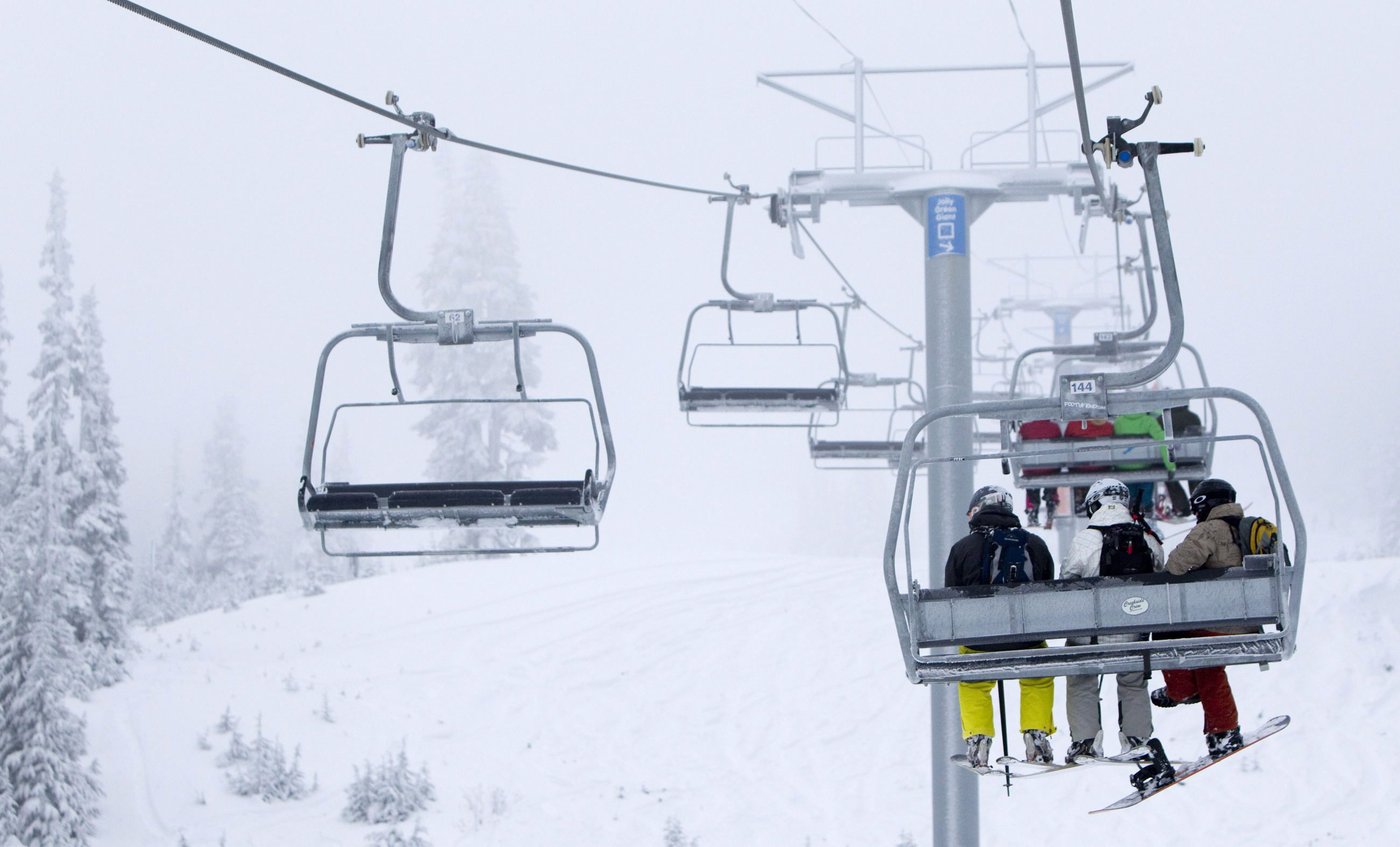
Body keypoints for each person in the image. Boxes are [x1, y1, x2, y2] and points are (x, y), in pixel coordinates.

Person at [944, 485, 1057, 766]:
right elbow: (1050, 590)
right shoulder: (1035, 544)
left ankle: (978, 738)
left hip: (979, 641)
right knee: (1038, 677)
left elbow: (950, 599)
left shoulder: (962, 548)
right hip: (1028, 638)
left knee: (973, 682)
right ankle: (1036, 733)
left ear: (978, 510)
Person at [1060, 478, 1164, 762]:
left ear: (1094, 505)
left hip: (1090, 632)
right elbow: (1160, 571)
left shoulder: (1085, 539)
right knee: (1133, 682)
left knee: (1081, 679)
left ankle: (1085, 742)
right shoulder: (1147, 537)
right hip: (1134, 630)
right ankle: (1136, 739)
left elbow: (1067, 579)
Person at [1153, 478, 1248, 758]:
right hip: (1247, 619)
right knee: (1208, 665)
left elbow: (1175, 566)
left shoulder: (1210, 529)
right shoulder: (1246, 528)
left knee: (1167, 634)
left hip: (1216, 622)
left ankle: (1182, 691)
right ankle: (1222, 731)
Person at [1112, 411, 1175, 509]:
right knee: (1145, 497)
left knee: (1129, 498)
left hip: (1122, 466)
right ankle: (1145, 506)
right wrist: (1170, 466)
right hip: (1144, 466)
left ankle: (1130, 507)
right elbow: (1163, 441)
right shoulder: (1149, 421)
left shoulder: (1118, 422)